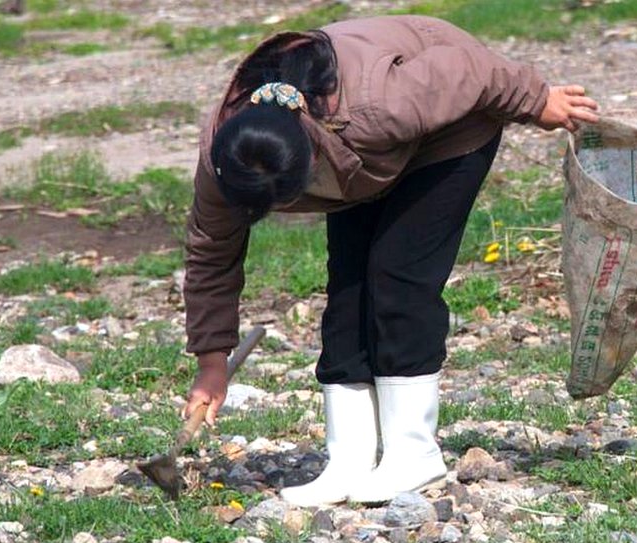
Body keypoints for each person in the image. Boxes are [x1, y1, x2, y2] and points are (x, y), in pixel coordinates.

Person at [181, 14, 599, 506]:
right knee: (349, 293)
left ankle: (413, 455)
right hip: (362, 157)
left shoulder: (382, 105)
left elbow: (469, 68)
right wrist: (212, 361)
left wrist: (537, 100)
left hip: (448, 132)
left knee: (399, 279)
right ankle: (349, 460)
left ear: (308, 158)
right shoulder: (227, 157)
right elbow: (212, 253)